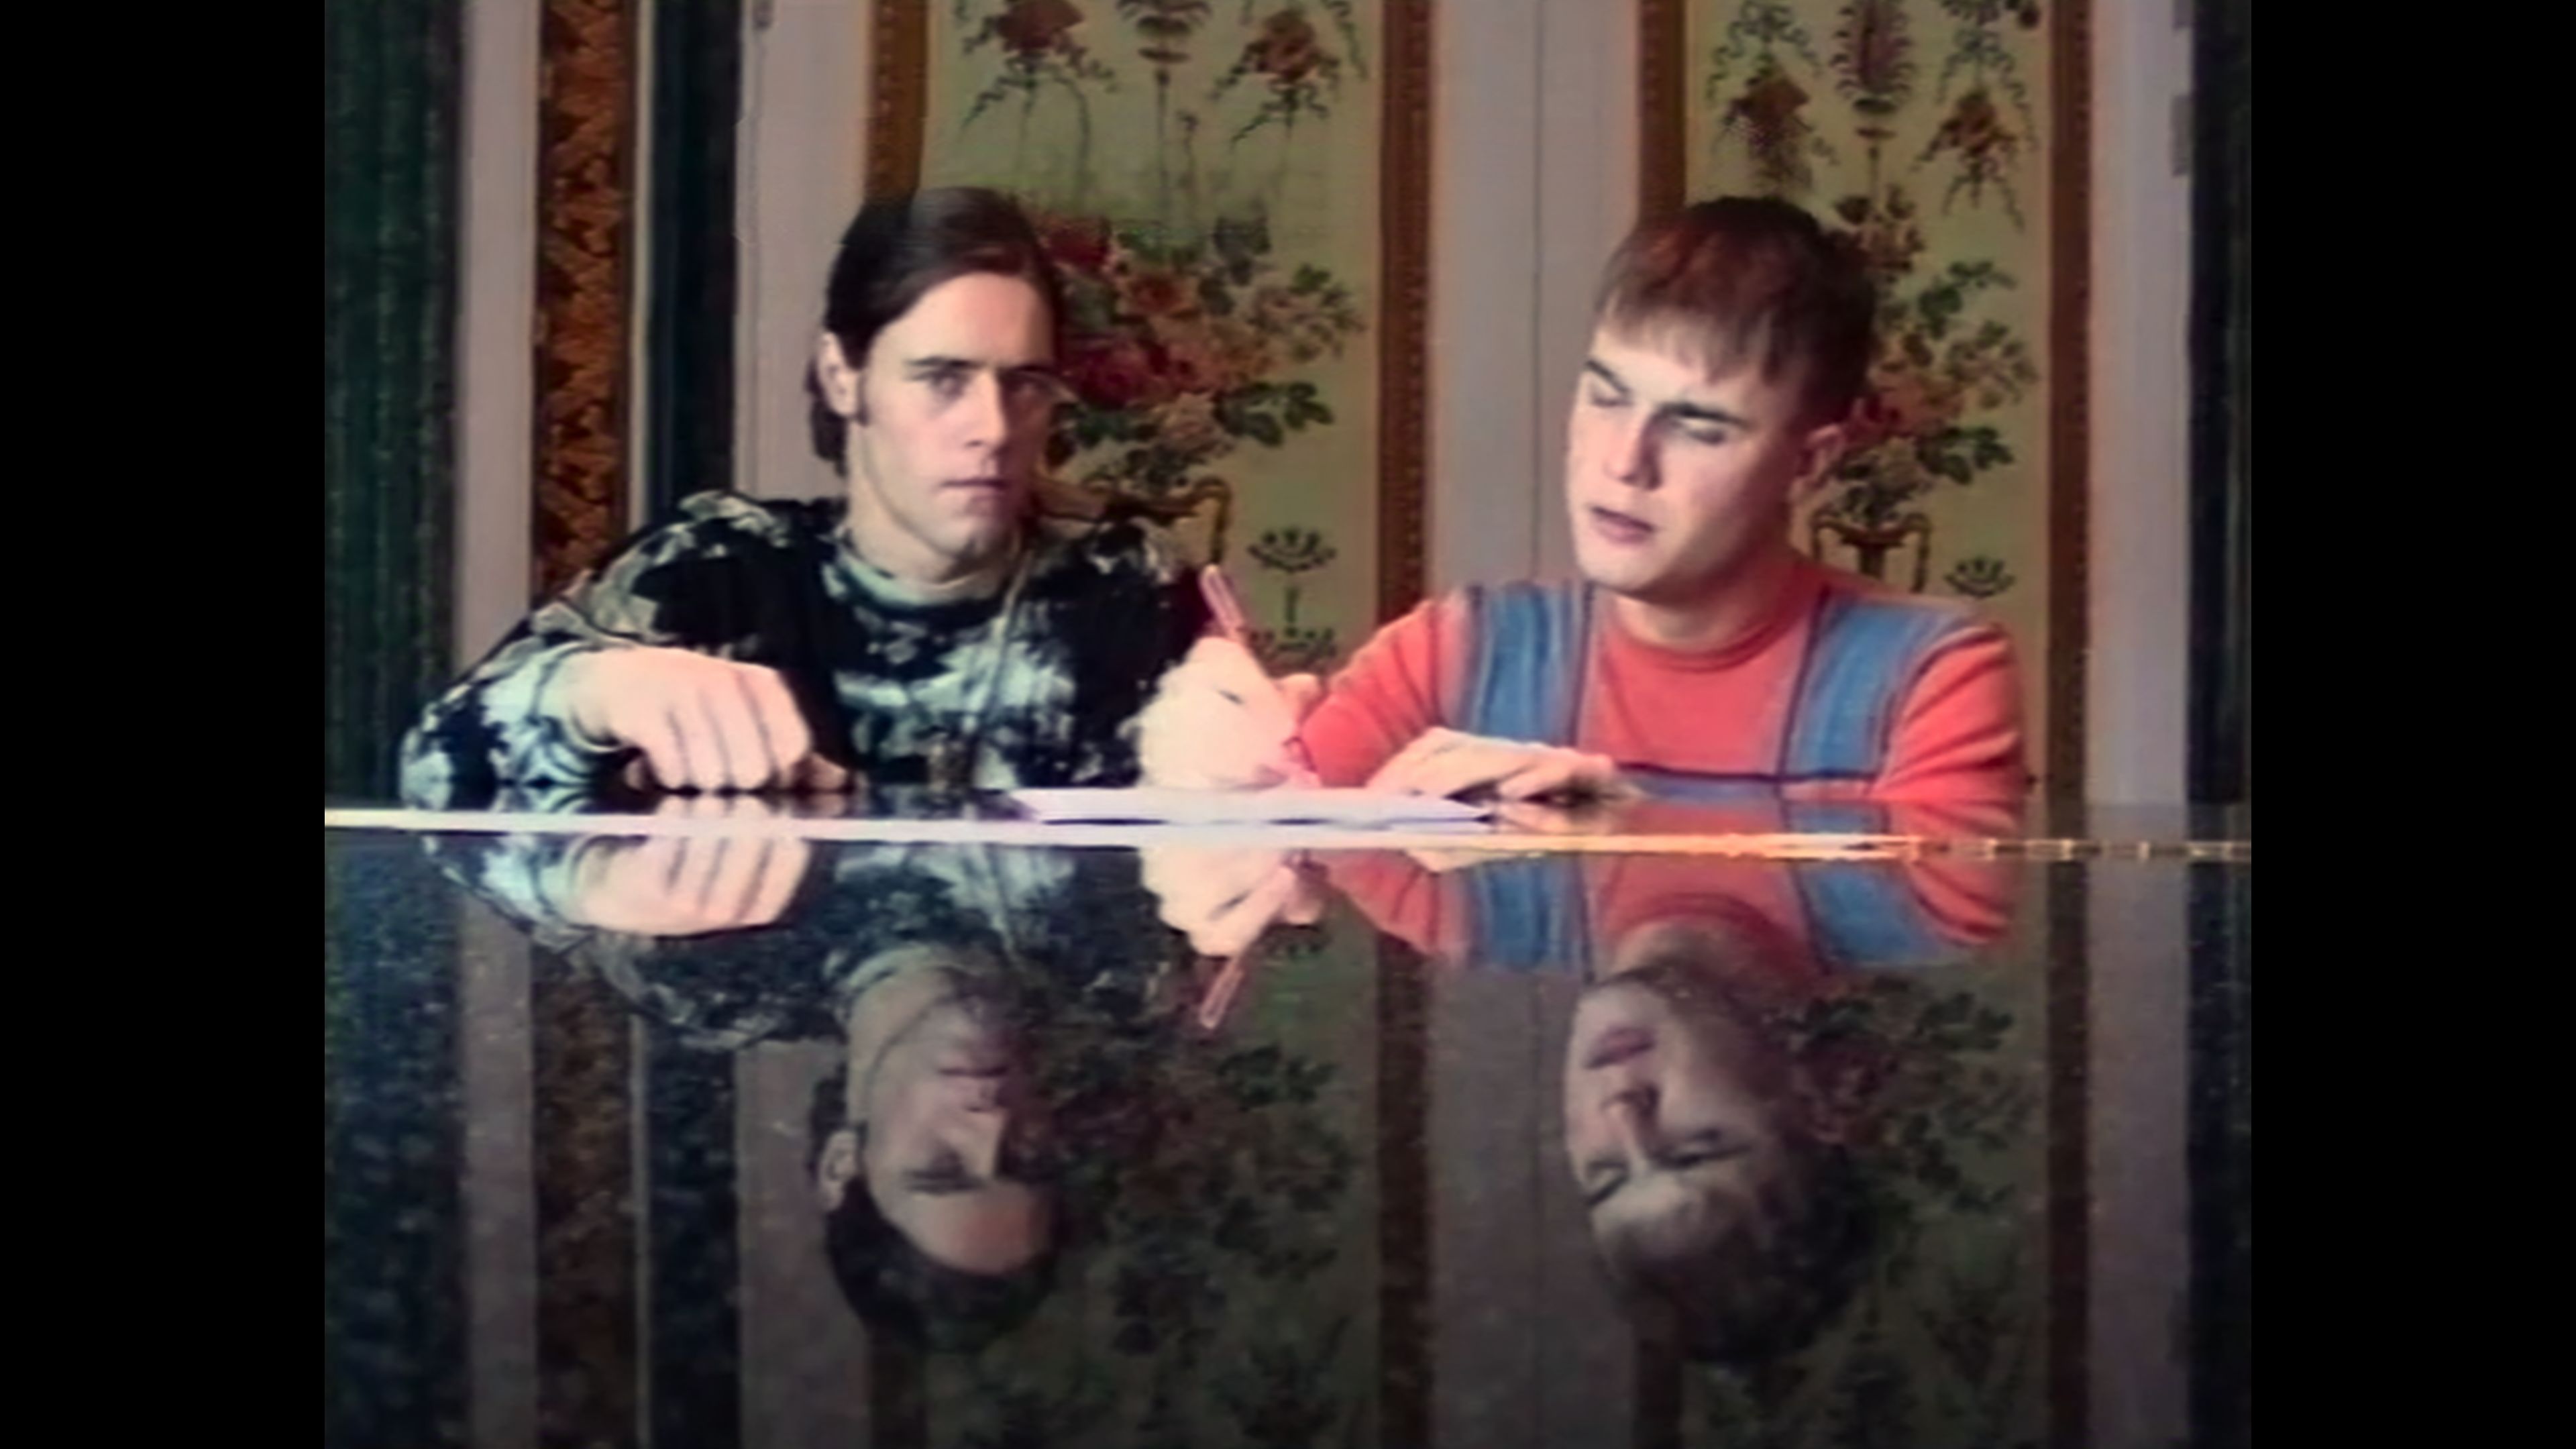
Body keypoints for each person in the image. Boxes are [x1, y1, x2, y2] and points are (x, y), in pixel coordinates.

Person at [1139, 197, 2028, 805]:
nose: (1623, 461)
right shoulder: (1451, 654)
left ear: (1810, 463)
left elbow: (1941, 927)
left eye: (1698, 427)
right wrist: (1211, 784)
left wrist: (1616, 833)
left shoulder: (1930, 675)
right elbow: (1280, 863)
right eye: (1605, 396)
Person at [402, 187, 1210, 806]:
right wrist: (592, 693)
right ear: (841, 377)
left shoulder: (1126, 582)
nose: (994, 428)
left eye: (1025, 384)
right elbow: (431, 766)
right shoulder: (715, 571)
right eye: (942, 379)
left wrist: (1252, 781)